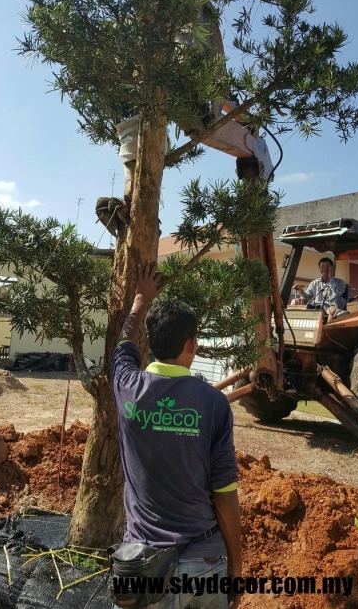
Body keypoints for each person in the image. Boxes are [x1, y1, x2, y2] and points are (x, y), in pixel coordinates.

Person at [111, 261, 242, 609]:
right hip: (203, 561)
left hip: (142, 563)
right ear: (191, 344)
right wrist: (237, 566)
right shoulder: (213, 404)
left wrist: (140, 302)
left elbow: (122, 346)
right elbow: (225, 496)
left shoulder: (127, 387)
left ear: (151, 343)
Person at [292, 257, 348, 322]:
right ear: (319, 269)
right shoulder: (314, 283)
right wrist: (301, 291)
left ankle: (326, 329)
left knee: (332, 310)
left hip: (331, 307)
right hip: (316, 307)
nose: (325, 269)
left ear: (332, 268)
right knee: (294, 301)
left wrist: (331, 278)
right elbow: (308, 298)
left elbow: (334, 297)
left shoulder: (340, 283)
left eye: (328, 267)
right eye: (322, 267)